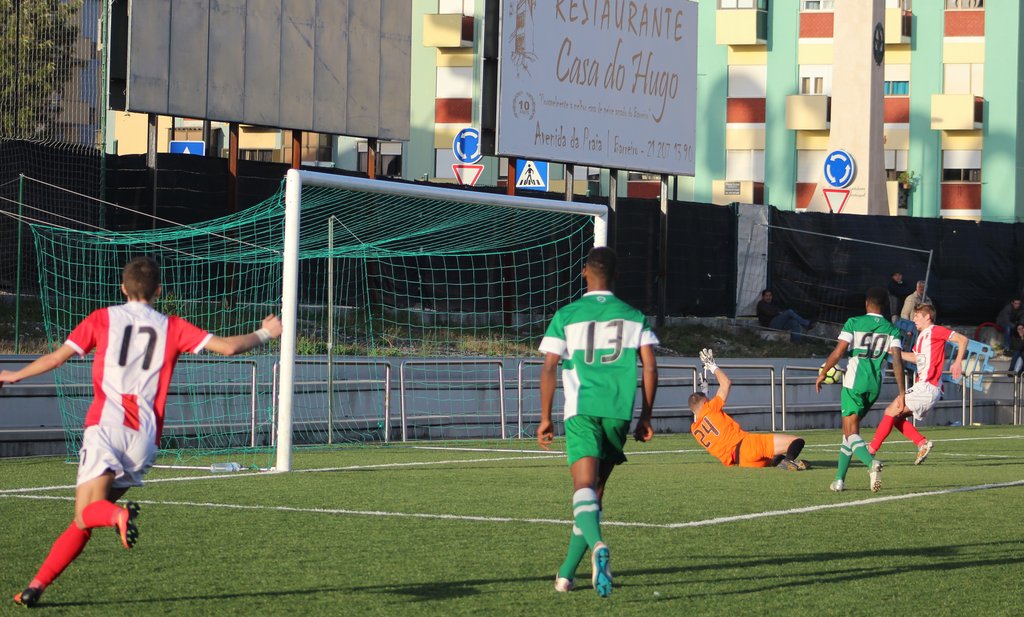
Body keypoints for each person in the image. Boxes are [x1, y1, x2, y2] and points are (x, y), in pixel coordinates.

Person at [2, 256, 283, 608]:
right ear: (158, 291)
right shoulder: (172, 326)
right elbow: (228, 347)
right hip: (144, 440)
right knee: (85, 518)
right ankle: (35, 587)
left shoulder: (102, 318)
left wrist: (13, 375)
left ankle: (118, 517)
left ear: (123, 288)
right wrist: (266, 332)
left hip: (106, 427)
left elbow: (57, 358)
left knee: (87, 513)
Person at [537, 246, 658, 598]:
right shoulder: (634, 316)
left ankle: (599, 545)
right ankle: (566, 574)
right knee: (596, 492)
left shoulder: (567, 314)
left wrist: (545, 418)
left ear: (584, 272)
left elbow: (549, 367)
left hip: (582, 409)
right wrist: (646, 415)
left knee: (583, 487)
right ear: (616, 276)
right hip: (618, 411)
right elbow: (650, 367)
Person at [816, 287, 905, 493]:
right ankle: (839, 480)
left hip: (854, 383)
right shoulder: (892, 329)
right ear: (884, 306)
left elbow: (839, 352)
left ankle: (871, 463)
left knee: (850, 431)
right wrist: (901, 392)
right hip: (874, 385)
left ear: (866, 303)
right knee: (848, 433)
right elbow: (897, 361)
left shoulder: (854, 322)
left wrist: (823, 372)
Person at [869, 303, 967, 463]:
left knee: (891, 411)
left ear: (927, 317)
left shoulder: (935, 330)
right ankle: (922, 443)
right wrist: (894, 352)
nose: (914, 319)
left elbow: (963, 340)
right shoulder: (922, 336)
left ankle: (870, 451)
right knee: (896, 417)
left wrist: (957, 362)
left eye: (917, 316)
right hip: (924, 386)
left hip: (928, 386)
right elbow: (916, 358)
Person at [689, 350, 809, 470]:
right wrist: (712, 366)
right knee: (797, 441)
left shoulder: (694, 429)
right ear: (705, 403)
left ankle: (782, 461)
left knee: (774, 456)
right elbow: (726, 383)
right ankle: (789, 461)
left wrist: (704, 391)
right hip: (748, 445)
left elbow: (702, 410)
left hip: (742, 461)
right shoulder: (710, 408)